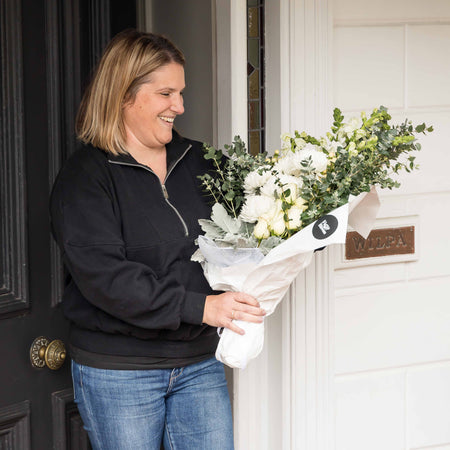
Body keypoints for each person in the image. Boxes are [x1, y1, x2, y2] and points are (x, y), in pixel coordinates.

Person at [50, 29, 266, 450]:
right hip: (120, 370)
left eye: (181, 93)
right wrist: (201, 306)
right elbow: (106, 278)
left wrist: (320, 215)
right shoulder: (86, 178)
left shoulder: (201, 162)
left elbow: (264, 220)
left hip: (199, 363)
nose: (179, 106)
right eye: (167, 93)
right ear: (124, 94)